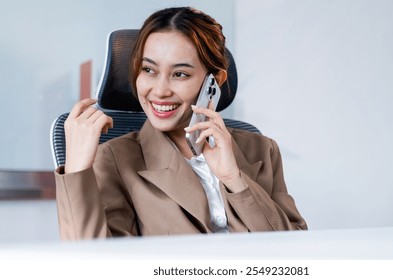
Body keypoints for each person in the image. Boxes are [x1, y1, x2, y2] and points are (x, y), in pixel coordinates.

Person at [54, 7, 307, 240]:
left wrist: (234, 179)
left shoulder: (261, 149)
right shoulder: (115, 158)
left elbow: (292, 250)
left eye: (180, 74)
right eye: (149, 70)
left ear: (214, 81)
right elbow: (93, 263)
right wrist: (77, 170)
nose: (160, 90)